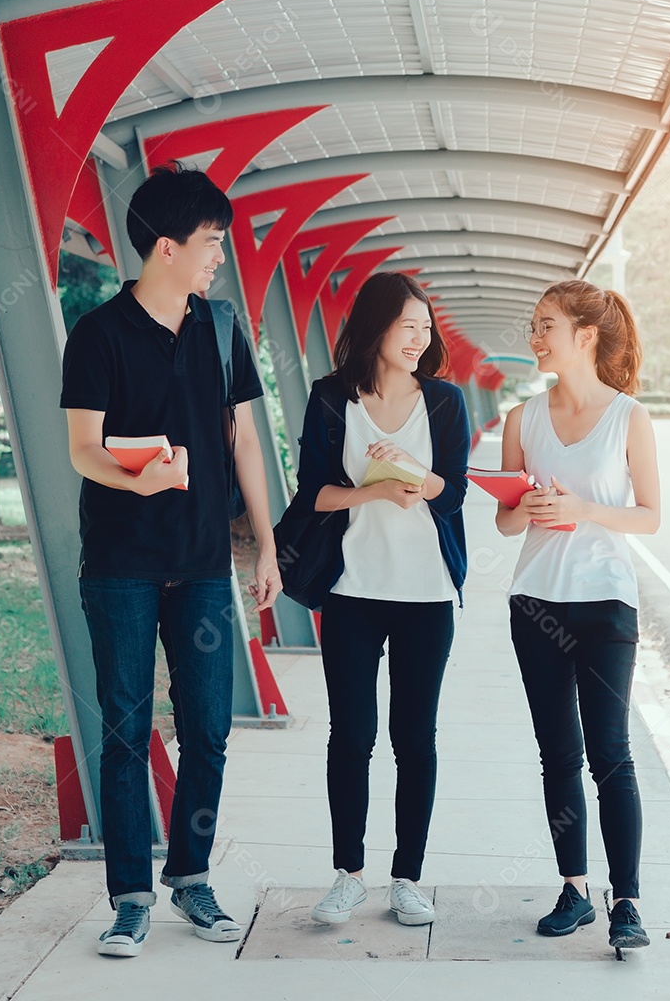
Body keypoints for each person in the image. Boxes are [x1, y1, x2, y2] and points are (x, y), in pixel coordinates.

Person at [59, 164, 281, 957]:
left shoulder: (222, 329)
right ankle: (128, 898)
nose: (219, 255)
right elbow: (83, 450)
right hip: (119, 564)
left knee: (209, 731)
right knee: (124, 732)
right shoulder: (97, 335)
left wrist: (267, 544)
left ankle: (190, 878)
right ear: (165, 247)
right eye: (211, 242)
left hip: (200, 565)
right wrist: (135, 473)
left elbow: (247, 442)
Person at [291, 272, 469, 928]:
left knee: (413, 738)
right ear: (377, 328)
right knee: (353, 735)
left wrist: (415, 475)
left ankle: (408, 879)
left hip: (425, 593)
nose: (420, 339)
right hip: (352, 592)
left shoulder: (446, 402)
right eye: (408, 327)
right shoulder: (332, 398)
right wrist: (373, 488)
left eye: (426, 328)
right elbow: (313, 493)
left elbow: (454, 495)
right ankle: (348, 875)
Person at [495, 279, 660, 951]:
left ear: (585, 336)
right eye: (533, 326)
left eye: (547, 326)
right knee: (557, 757)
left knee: (611, 757)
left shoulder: (630, 417)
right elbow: (505, 522)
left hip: (606, 604)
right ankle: (574, 890)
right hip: (535, 601)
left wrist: (586, 510)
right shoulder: (522, 418)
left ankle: (627, 902)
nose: (534, 339)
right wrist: (525, 509)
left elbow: (650, 516)